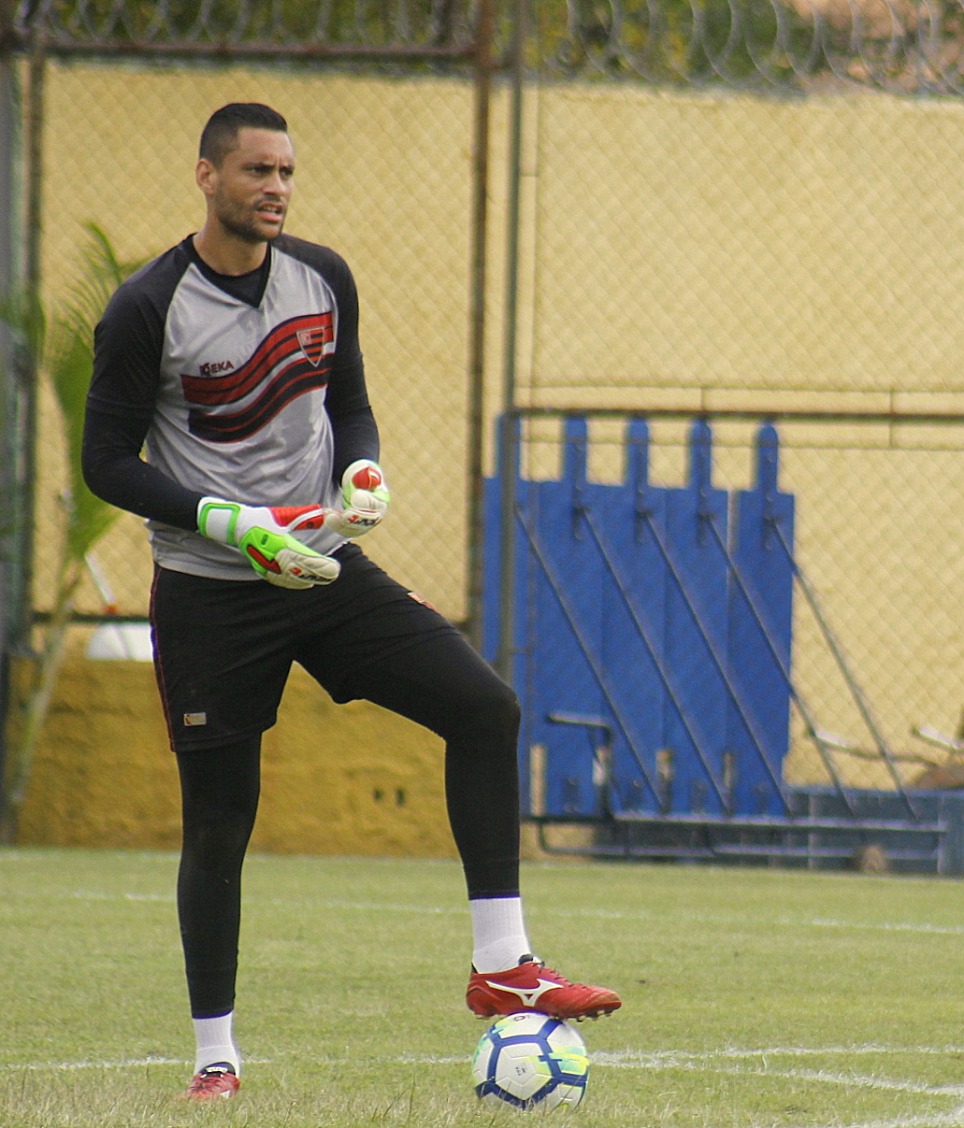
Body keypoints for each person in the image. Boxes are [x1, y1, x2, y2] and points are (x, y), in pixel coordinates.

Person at [83, 102, 620, 1101]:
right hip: (212, 591)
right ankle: (215, 1057)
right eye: (255, 172)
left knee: (483, 708)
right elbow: (107, 463)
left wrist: (363, 467)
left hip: (324, 570)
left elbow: (349, 399)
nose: (275, 188)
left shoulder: (322, 277)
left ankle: (503, 967)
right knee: (219, 822)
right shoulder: (146, 307)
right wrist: (227, 522)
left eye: (285, 171)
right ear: (206, 177)